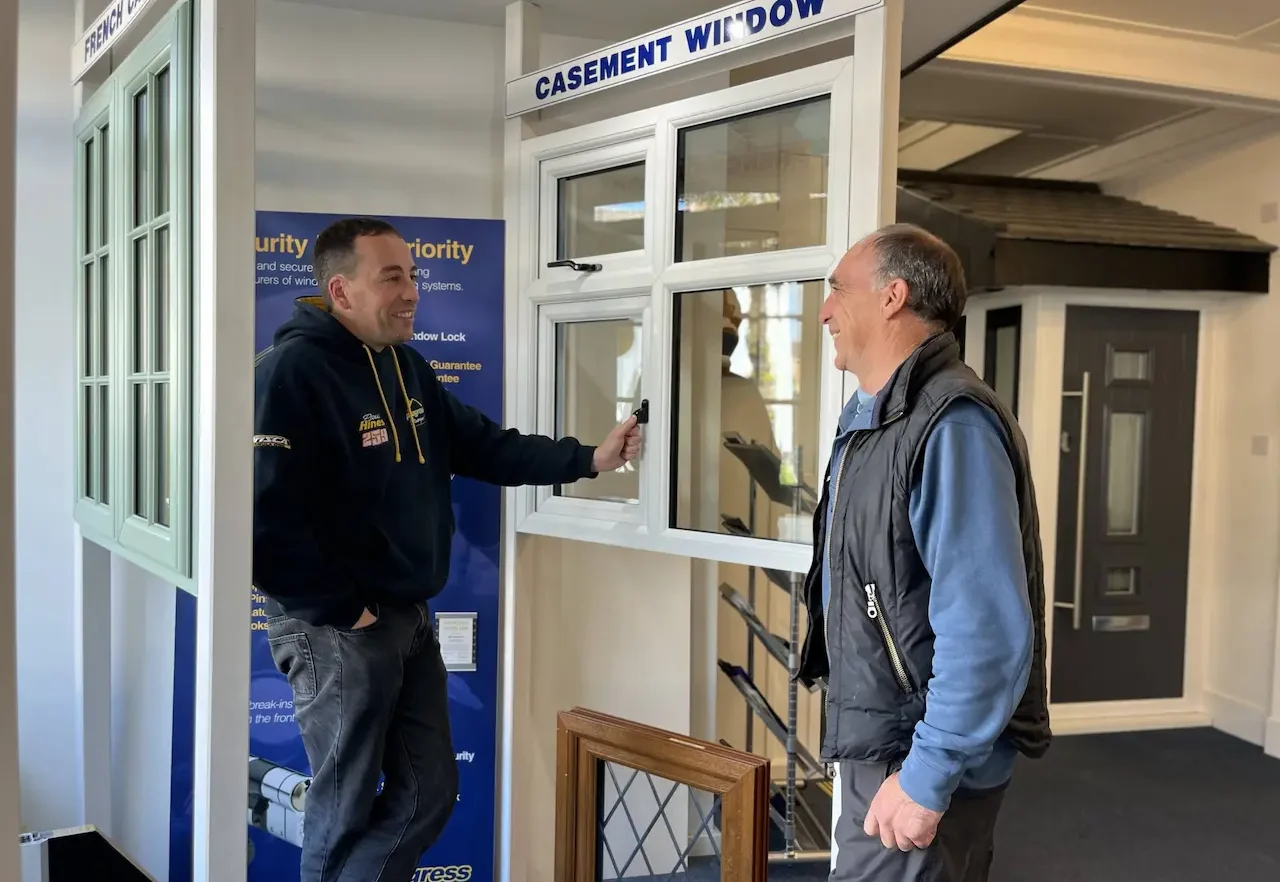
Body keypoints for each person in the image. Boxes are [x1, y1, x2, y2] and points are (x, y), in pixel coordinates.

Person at [252, 217, 641, 882]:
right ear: (341, 292)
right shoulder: (290, 372)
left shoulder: (405, 368)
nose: (411, 292)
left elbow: (484, 446)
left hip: (405, 619)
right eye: (392, 278)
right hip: (338, 630)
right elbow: (262, 522)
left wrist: (589, 459)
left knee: (430, 792)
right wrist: (346, 611)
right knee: (342, 810)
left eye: (413, 276)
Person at [797, 223, 1050, 881]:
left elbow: (986, 626)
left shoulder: (951, 424)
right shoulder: (874, 419)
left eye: (838, 290)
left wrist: (928, 772)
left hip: (917, 752)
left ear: (893, 296)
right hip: (886, 737)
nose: (824, 310)